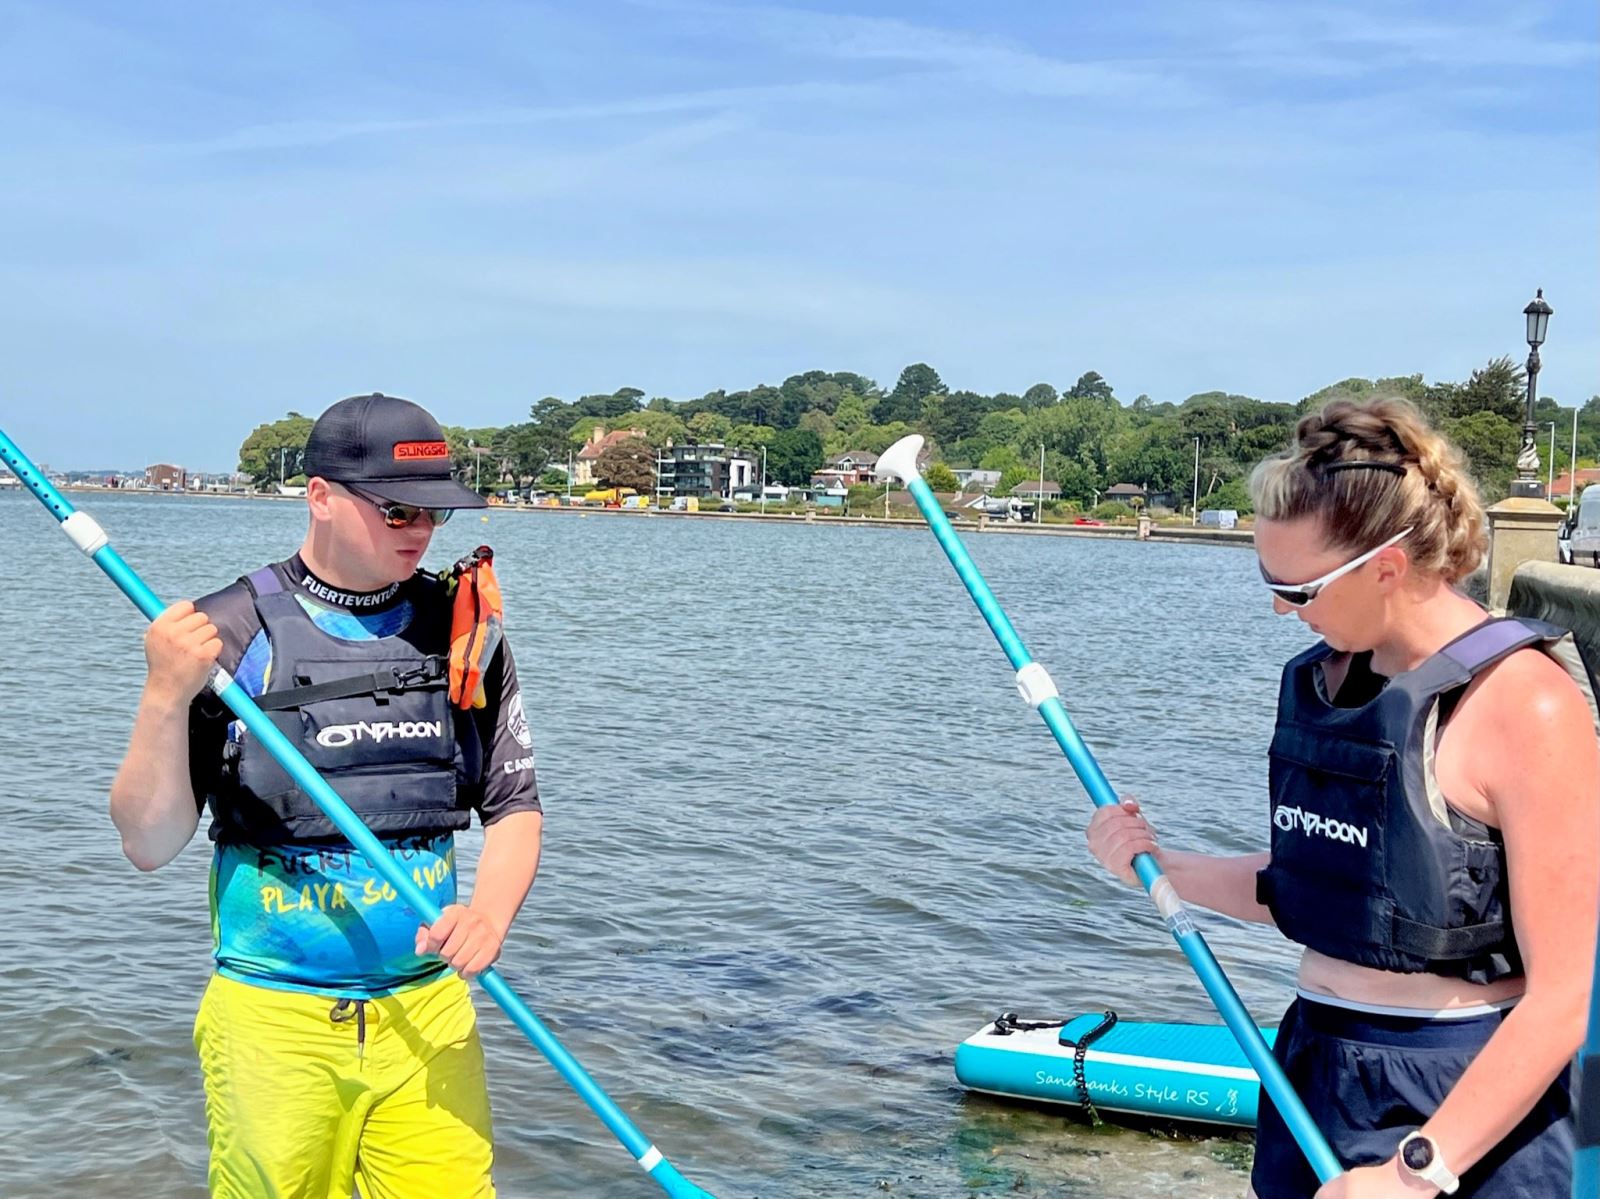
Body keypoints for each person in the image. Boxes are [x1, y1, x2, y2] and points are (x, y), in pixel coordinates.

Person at [1087, 398, 1599, 1198]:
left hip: (1455, 1097)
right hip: (1313, 1068)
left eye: (1297, 588)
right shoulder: (1337, 681)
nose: (1280, 608)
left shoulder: (1528, 708)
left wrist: (1417, 1169)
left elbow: (1566, 994)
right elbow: (1325, 886)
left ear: (1386, 567)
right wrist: (1162, 868)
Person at [109, 393, 543, 1198]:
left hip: (426, 1013)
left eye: (435, 514)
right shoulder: (225, 635)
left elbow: (515, 804)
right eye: (398, 509)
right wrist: (165, 694)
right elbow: (148, 842)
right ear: (320, 496)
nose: (419, 530)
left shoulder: (464, 632)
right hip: (273, 1023)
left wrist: (490, 915)